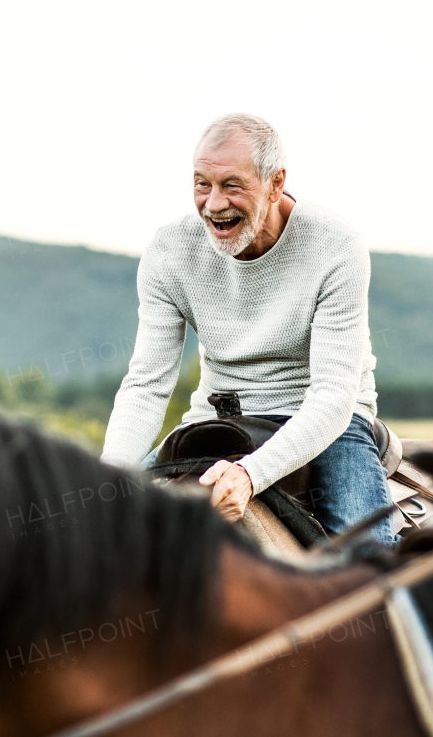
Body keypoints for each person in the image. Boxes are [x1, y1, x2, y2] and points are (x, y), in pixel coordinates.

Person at [101, 113, 397, 546]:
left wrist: (248, 476)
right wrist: (110, 480)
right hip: (218, 417)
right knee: (107, 544)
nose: (214, 203)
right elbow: (146, 386)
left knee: (367, 574)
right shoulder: (169, 251)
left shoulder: (336, 246)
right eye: (202, 183)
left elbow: (334, 395)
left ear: (275, 183)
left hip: (326, 420)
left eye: (232, 185)